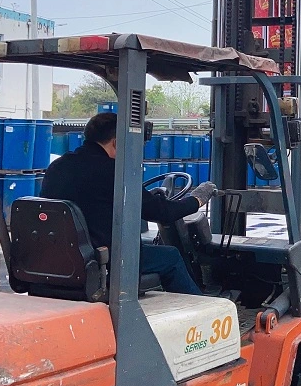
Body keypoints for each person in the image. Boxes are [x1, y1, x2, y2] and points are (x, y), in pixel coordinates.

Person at [40, 112, 217, 296]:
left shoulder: (58, 166)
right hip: (103, 259)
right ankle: (205, 312)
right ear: (116, 143)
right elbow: (162, 212)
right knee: (170, 257)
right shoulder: (113, 173)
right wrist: (196, 200)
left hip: (61, 257)